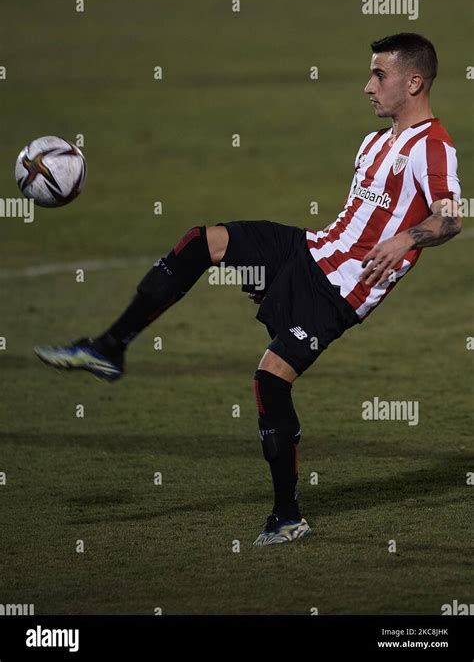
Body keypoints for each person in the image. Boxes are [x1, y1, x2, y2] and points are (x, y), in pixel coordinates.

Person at [34, 33, 462, 546]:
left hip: (337, 292)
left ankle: (287, 517)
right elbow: (353, 224)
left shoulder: (432, 146)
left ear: (414, 82)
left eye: (379, 75)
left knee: (270, 382)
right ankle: (108, 348)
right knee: (201, 242)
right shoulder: (373, 142)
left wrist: (406, 240)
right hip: (309, 252)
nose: (367, 86)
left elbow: (451, 218)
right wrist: (277, 279)